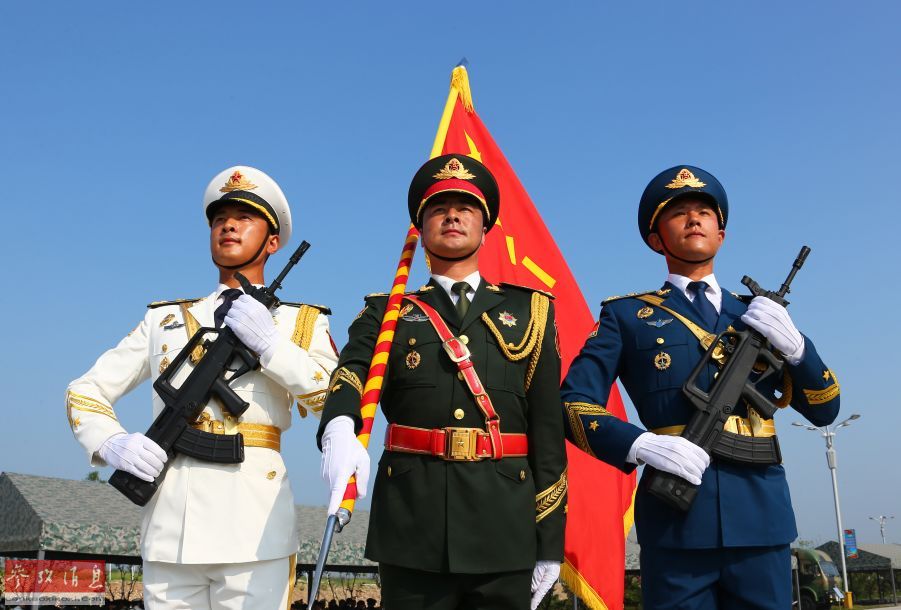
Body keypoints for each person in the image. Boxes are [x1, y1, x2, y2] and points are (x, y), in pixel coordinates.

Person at [561, 165, 841, 609]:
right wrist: (640, 445)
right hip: (677, 521)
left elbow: (826, 409)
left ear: (721, 234)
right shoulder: (626, 316)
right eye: (679, 213)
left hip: (760, 518)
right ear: (656, 238)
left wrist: (799, 350)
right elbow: (574, 404)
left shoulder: (760, 317)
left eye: (704, 212)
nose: (694, 219)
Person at [66, 166, 338, 609]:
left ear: (272, 242)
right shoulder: (163, 319)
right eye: (219, 218)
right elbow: (86, 389)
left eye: (244, 218)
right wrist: (111, 442)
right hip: (171, 524)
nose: (228, 225)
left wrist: (272, 348)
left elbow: (333, 398)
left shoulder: (299, 321)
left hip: (254, 529)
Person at [317, 155, 566, 610]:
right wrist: (338, 426)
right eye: (438, 208)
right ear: (421, 227)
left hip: (504, 529)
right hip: (413, 526)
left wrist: (549, 542)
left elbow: (548, 433)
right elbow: (350, 372)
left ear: (485, 227)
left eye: (465, 207)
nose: (452, 215)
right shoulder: (386, 310)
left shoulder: (532, 311)